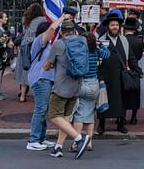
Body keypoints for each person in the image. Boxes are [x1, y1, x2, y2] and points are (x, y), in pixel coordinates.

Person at [43, 20, 91, 159]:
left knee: (54, 115)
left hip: (61, 87)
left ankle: (79, 139)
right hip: (76, 86)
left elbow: (47, 65)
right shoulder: (83, 41)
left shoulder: (59, 44)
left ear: (62, 32)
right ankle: (58, 147)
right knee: (65, 118)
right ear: (74, 31)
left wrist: (52, 65)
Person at [97, 12, 141, 135]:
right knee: (103, 100)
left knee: (122, 101)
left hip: (121, 76)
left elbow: (131, 57)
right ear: (108, 27)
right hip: (105, 76)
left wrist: (137, 69)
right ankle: (101, 124)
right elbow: (97, 59)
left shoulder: (124, 41)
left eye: (116, 25)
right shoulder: (101, 40)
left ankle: (121, 124)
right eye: (112, 25)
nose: (115, 27)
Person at [26, 17, 62, 151]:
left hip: (46, 79)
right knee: (40, 109)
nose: (53, 33)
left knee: (44, 109)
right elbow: (51, 29)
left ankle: (40, 138)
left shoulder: (49, 45)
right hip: (40, 79)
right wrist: (62, 18)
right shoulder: (39, 41)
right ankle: (33, 140)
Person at [70, 31, 109, 154]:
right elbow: (107, 54)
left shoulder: (80, 54)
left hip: (82, 83)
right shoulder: (96, 52)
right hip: (94, 84)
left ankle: (77, 142)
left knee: (79, 115)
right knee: (90, 114)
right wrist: (100, 45)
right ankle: (90, 141)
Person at [18, 3, 46, 103]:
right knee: (38, 71)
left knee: (25, 72)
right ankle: (36, 94)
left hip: (26, 47)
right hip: (38, 48)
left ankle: (22, 95)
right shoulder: (43, 20)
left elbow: (24, 34)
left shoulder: (27, 20)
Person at [123, 17, 144, 125]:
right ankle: (134, 117)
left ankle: (121, 117)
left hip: (123, 69)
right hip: (135, 69)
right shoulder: (139, 41)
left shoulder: (121, 40)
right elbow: (139, 56)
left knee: (123, 94)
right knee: (135, 94)